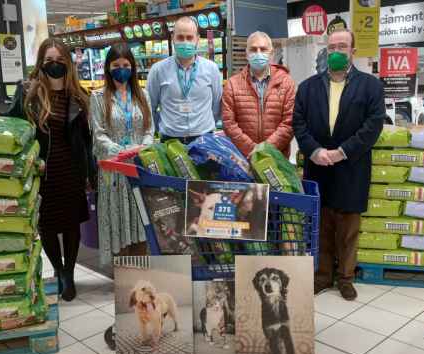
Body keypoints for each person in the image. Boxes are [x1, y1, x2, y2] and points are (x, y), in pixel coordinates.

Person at [0, 38, 94, 302]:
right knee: (47, 225)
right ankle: (57, 269)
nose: (54, 65)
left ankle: (68, 274)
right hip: (42, 170)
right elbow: (13, 120)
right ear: (41, 64)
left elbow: (85, 138)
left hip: (71, 171)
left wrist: (90, 173)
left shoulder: (79, 95)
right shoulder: (29, 91)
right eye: (49, 61)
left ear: (67, 63)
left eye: (59, 61)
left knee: (70, 226)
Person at [292, 29, 385, 301]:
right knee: (320, 226)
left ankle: (345, 278)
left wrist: (343, 152)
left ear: (353, 51)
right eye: (331, 46)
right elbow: (299, 123)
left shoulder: (370, 86)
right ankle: (322, 276)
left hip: (351, 167)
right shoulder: (308, 87)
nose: (336, 52)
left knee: (348, 228)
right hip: (318, 166)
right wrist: (314, 150)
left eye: (342, 46)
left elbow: (373, 126)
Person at [90, 43, 154, 272]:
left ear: (133, 67)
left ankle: (141, 272)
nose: (121, 70)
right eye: (116, 65)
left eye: (126, 65)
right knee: (119, 223)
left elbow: (149, 130)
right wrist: (121, 152)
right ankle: (124, 277)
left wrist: (141, 149)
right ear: (108, 68)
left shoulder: (142, 95)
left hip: (139, 169)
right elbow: (98, 135)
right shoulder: (98, 97)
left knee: (141, 221)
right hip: (114, 174)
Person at [147, 16, 222, 145]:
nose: (185, 42)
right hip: (170, 140)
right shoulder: (158, 70)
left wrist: (204, 127)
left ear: (197, 39)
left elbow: (216, 106)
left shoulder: (212, 69)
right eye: (180, 37)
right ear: (173, 38)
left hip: (204, 139)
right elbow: (150, 107)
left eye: (189, 37)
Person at [222, 31, 295, 158]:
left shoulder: (286, 82)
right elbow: (229, 124)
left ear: (271, 54)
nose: (258, 53)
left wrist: (265, 149)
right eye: (253, 49)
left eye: (263, 49)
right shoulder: (232, 85)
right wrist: (252, 150)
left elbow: (289, 122)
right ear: (246, 54)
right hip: (243, 159)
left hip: (276, 158)